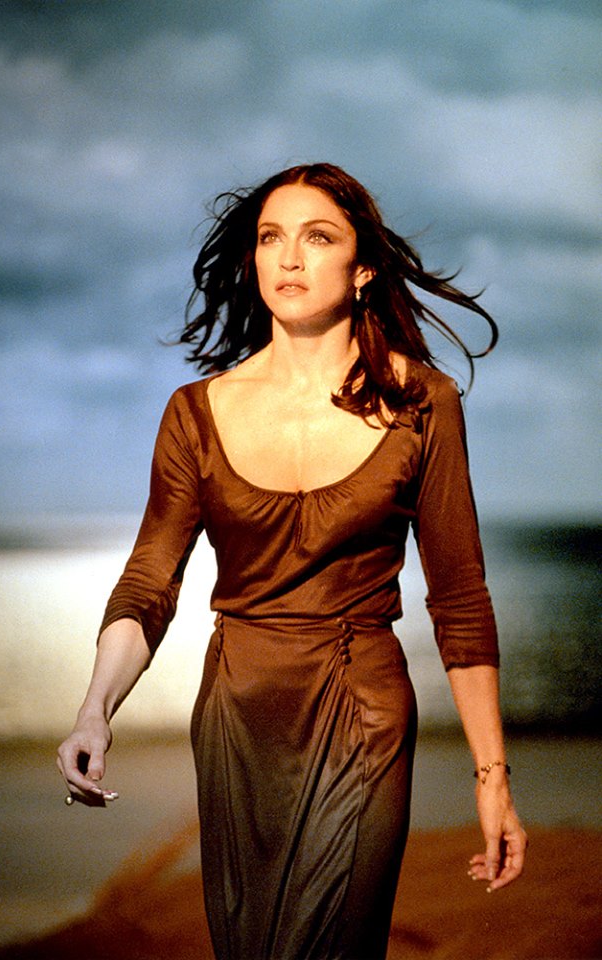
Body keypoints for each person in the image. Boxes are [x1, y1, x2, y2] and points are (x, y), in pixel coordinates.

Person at [57, 162, 527, 960]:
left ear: (363, 267)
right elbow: (150, 581)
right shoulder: (196, 413)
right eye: (271, 238)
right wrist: (95, 709)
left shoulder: (423, 403)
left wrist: (493, 778)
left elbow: (459, 598)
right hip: (236, 723)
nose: (289, 257)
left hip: (362, 713)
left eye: (318, 237)